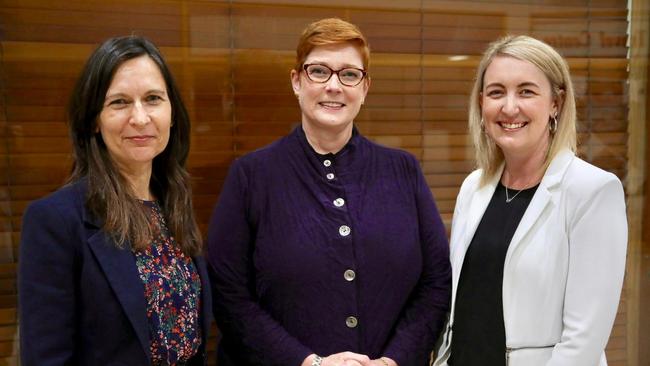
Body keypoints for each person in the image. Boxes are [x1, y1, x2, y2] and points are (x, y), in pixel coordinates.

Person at [207, 18, 451, 366]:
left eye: (349, 74)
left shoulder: (403, 170)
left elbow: (435, 282)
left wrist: (393, 361)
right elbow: (229, 294)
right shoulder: (251, 176)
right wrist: (310, 363)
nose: (334, 86)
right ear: (297, 81)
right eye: (319, 71)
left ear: (364, 88)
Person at [433, 35, 627, 366]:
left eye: (526, 91)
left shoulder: (592, 191)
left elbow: (583, 342)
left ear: (556, 103)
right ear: (481, 103)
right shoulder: (474, 187)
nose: (509, 107)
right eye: (496, 92)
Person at [18, 35, 211, 365]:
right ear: (94, 119)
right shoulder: (54, 221)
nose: (139, 118)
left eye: (152, 98)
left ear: (172, 113)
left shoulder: (171, 204)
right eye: (119, 102)